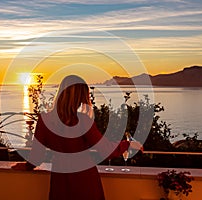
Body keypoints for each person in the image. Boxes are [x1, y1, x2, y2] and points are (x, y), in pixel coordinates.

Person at [12, 75, 143, 200]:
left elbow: (36, 157)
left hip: (60, 178)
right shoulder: (83, 121)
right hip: (84, 178)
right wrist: (128, 144)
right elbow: (105, 150)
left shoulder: (44, 120)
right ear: (80, 97)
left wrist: (26, 166)